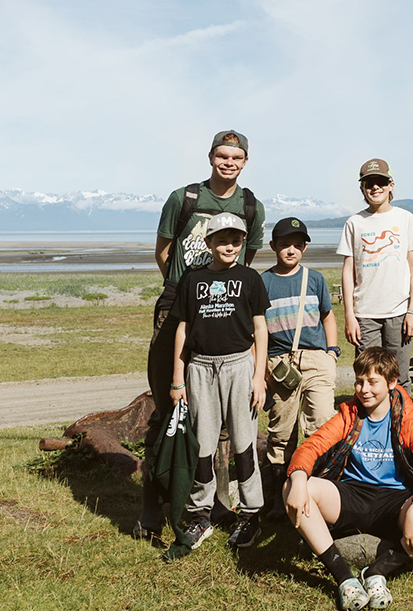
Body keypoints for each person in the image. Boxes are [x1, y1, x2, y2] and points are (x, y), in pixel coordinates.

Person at [136, 129, 267, 542]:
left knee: (226, 421)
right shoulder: (185, 198)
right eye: (222, 156)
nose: (228, 163)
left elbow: (246, 258)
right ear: (211, 157)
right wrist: (183, 288)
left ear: (245, 162)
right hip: (182, 302)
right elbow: (163, 250)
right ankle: (156, 505)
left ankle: (219, 504)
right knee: (171, 406)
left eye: (237, 157)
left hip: (224, 307)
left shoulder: (250, 206)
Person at [284, 347, 413, 611]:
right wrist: (299, 479)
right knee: (293, 485)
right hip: (350, 495)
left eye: (372, 382)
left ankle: (377, 571)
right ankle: (345, 578)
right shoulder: (349, 413)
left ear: (392, 383)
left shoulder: (406, 416)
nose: (364, 389)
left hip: (396, 502)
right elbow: (311, 446)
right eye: (359, 381)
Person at [167, 212, 270, 558]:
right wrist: (178, 379)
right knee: (203, 444)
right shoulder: (193, 280)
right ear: (208, 243)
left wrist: (259, 376)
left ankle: (251, 512)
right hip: (200, 367)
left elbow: (260, 329)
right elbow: (182, 330)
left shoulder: (250, 278)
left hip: (240, 365)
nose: (229, 246)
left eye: (236, 240)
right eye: (222, 240)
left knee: (243, 443)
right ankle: (200, 513)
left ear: (243, 243)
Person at [261, 217, 342, 497]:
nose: (291, 250)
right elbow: (256, 331)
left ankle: (320, 484)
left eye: (297, 244)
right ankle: (277, 493)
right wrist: (260, 371)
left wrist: (331, 353)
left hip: (317, 361)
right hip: (280, 364)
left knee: (321, 422)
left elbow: (328, 317)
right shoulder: (264, 282)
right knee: (281, 431)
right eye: (284, 245)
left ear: (305, 247)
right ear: (273, 246)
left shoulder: (315, 279)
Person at [338, 158, 413, 391]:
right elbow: (348, 270)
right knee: (368, 377)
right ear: (362, 188)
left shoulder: (405, 219)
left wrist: (412, 310)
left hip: (399, 311)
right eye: (369, 183)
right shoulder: (354, 222)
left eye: (380, 182)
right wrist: (349, 315)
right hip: (365, 313)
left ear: (391, 185)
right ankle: (371, 425)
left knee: (399, 377)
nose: (375, 187)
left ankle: (400, 425)